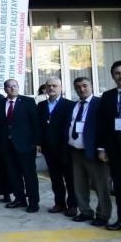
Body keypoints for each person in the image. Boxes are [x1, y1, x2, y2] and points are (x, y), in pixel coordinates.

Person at [0, 79, 41, 213]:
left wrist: (37, 142)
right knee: (13, 174)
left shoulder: (28, 102)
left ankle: (33, 202)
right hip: (7, 146)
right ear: (5, 89)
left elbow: (35, 123)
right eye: (9, 87)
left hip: (25, 145)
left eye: (14, 86)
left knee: (29, 175)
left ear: (18, 87)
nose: (12, 88)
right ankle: (20, 199)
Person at [68, 77, 110, 227]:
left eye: (85, 86)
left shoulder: (100, 104)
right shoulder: (74, 105)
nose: (82, 89)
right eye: (78, 87)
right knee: (79, 185)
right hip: (76, 151)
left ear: (91, 86)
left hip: (94, 152)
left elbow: (105, 128)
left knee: (101, 185)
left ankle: (103, 214)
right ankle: (85, 211)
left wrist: (102, 148)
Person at [36, 77, 77, 217]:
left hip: (65, 148)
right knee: (55, 177)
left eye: (54, 85)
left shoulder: (69, 105)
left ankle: (72, 205)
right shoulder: (41, 106)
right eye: (49, 86)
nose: (51, 88)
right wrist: (39, 142)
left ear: (61, 88)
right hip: (49, 148)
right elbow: (39, 126)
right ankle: (59, 203)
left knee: (70, 178)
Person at [96, 60, 121, 231]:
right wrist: (101, 148)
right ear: (113, 76)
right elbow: (102, 125)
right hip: (115, 150)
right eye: (117, 73)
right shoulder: (107, 96)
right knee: (120, 188)